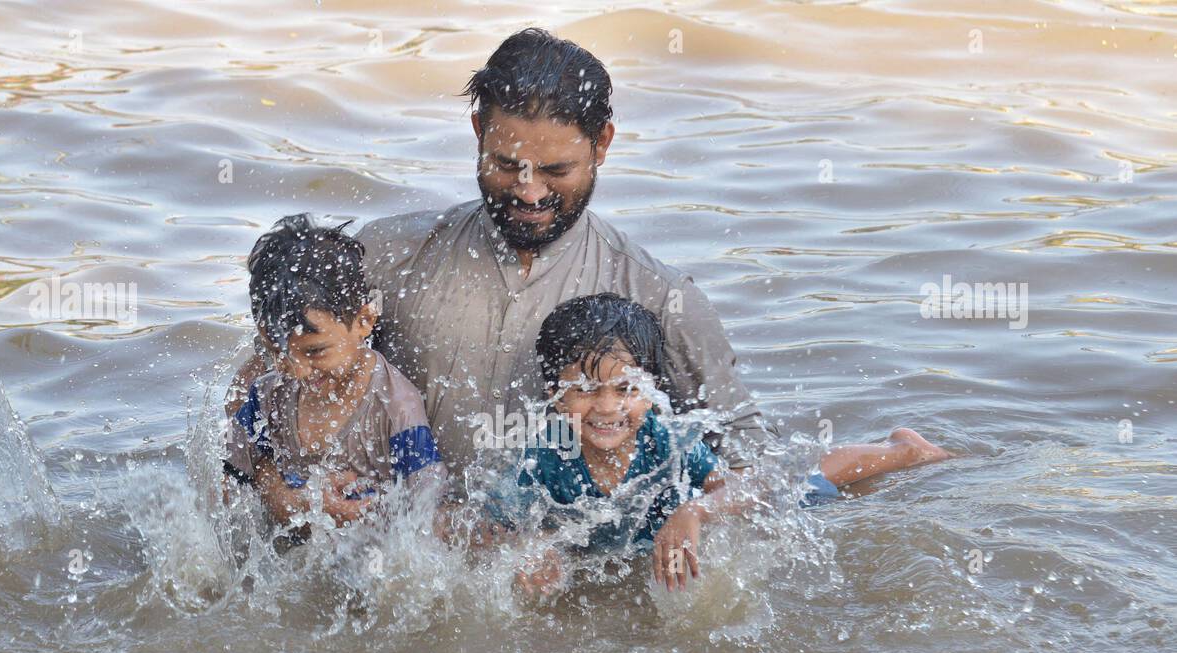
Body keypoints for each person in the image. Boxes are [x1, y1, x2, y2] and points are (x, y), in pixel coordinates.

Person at [354, 28, 772, 479]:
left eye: (557, 170)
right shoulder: (386, 258)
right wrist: (286, 491)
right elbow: (275, 384)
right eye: (507, 165)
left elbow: (749, 469)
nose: (530, 193)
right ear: (478, 131)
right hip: (405, 537)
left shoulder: (660, 297)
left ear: (603, 145)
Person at [490, 295, 949, 597]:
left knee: (799, 486)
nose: (607, 408)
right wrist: (534, 545)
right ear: (554, 393)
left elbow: (743, 490)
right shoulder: (545, 454)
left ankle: (902, 450)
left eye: (627, 389)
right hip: (629, 547)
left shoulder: (669, 442)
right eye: (586, 390)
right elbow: (494, 523)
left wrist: (693, 513)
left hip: (710, 511)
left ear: (652, 392)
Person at [222, 215, 445, 539]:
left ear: (364, 321)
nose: (295, 371)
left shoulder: (395, 407)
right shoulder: (269, 393)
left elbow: (427, 515)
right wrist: (282, 497)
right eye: (277, 352)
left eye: (315, 352)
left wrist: (368, 517)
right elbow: (230, 470)